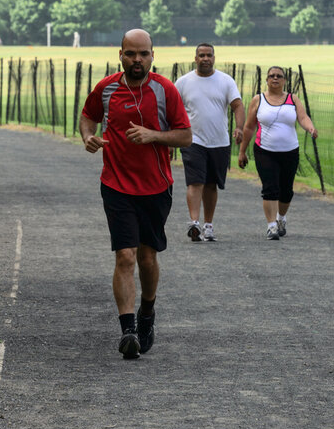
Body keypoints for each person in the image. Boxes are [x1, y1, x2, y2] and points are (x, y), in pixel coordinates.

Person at [80, 29, 191, 360]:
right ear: (121, 54)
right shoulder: (106, 88)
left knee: (147, 256)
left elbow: (185, 136)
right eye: (131, 54)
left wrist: (153, 135)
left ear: (153, 55)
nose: (137, 60)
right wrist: (88, 137)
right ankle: (128, 330)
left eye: (143, 54)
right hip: (115, 184)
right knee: (125, 255)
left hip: (156, 186)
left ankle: (147, 312)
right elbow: (88, 118)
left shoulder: (164, 90)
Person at [238, 66, 317, 241]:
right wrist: (242, 151)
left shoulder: (292, 99)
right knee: (270, 188)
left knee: (286, 190)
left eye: (279, 76)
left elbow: (303, 118)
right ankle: (271, 226)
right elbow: (249, 126)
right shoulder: (258, 100)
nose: (275, 78)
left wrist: (310, 128)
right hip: (265, 151)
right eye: (271, 76)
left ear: (284, 81)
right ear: (266, 80)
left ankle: (281, 218)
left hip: (289, 151)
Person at [174, 43, 244, 242]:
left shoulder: (225, 81)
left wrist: (239, 127)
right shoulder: (183, 82)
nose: (206, 59)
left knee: (211, 184)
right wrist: (173, 135)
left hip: (219, 141)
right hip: (192, 140)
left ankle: (208, 225)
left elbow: (237, 105)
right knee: (195, 181)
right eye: (202, 55)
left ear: (214, 57)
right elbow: (173, 110)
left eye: (209, 55)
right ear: (195, 58)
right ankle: (194, 223)